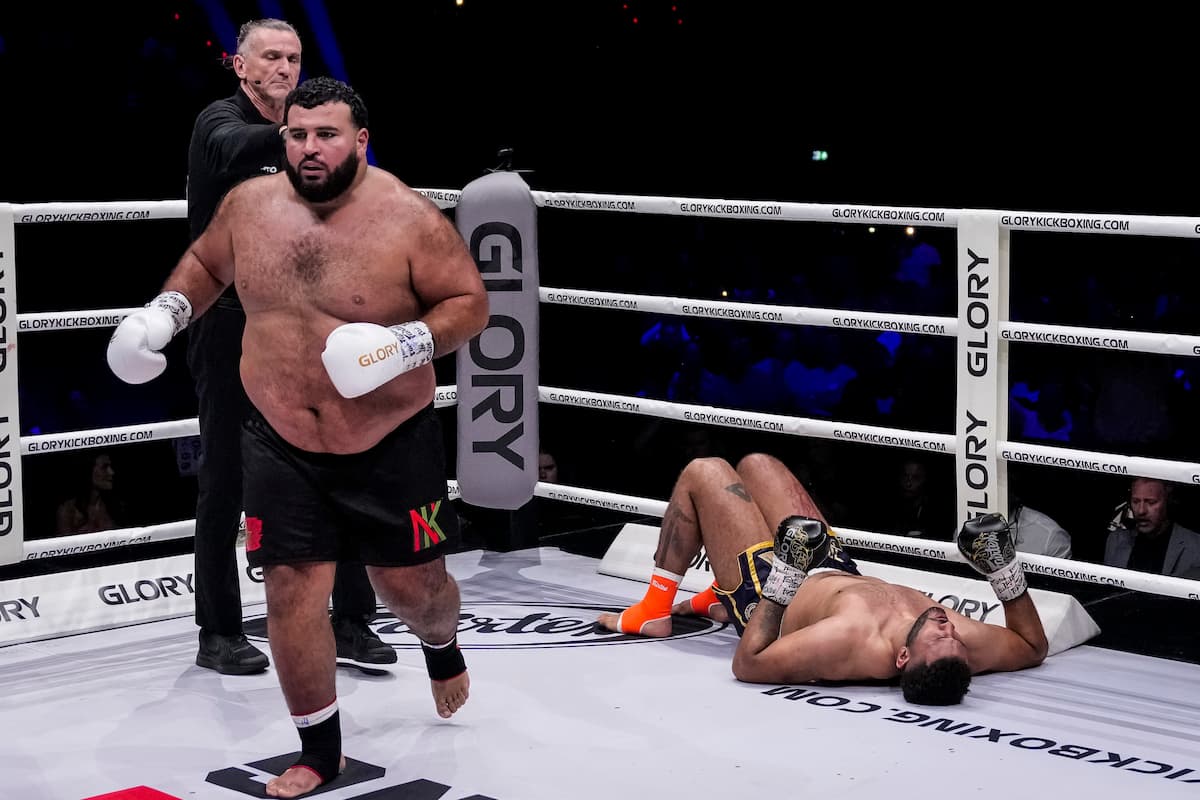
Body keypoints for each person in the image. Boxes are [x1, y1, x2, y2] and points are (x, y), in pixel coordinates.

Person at [108, 77, 488, 797]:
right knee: (290, 589)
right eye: (297, 134)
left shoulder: (407, 217)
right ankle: (320, 750)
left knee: (414, 590)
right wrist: (163, 313)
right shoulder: (249, 207)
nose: (310, 149)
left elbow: (470, 305)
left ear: (360, 140)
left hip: (389, 438)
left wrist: (404, 344)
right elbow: (206, 265)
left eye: (327, 135)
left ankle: (441, 644)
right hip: (278, 435)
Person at [186, 18, 390, 677]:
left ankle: (352, 620)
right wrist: (309, 131)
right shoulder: (219, 122)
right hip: (230, 322)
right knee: (224, 475)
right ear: (238, 66)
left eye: (293, 57)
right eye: (269, 57)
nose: (283, 67)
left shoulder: (308, 137)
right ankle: (217, 631)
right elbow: (233, 148)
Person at [598, 453, 1049, 705]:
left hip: (770, 588)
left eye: (940, 636)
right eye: (955, 638)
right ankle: (712, 597)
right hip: (832, 564)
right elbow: (1032, 646)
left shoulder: (850, 641)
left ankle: (653, 611)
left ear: (902, 657)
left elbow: (749, 663)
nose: (948, 626)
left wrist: (789, 574)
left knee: (704, 471)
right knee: (758, 464)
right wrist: (1003, 571)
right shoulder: (955, 648)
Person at [1104, 477, 1200, 579]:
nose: (1141, 511)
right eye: (1136, 501)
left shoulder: (1195, 546)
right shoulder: (1116, 540)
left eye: (1151, 502)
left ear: (1168, 502)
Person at [55, 451, 124, 535]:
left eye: (110, 467)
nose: (111, 472)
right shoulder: (68, 510)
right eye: (104, 467)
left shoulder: (114, 506)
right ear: (88, 470)